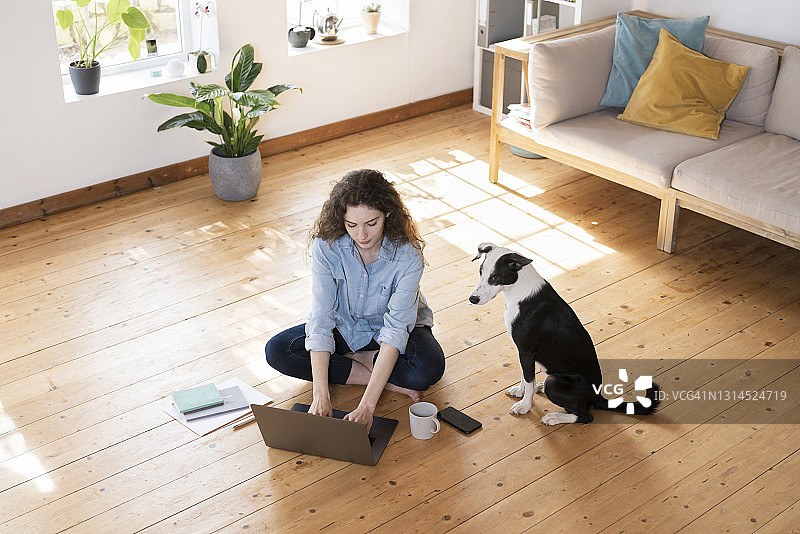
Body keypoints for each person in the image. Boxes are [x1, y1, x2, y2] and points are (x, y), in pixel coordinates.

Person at [265, 169, 445, 432]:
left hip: (397, 327)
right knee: (278, 350)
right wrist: (320, 394)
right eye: (352, 225)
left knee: (427, 370)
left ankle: (358, 361)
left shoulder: (408, 256)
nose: (362, 235)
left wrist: (367, 406)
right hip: (347, 324)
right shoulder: (327, 246)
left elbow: (395, 331)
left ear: (388, 215)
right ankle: (384, 377)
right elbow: (321, 318)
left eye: (371, 223)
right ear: (342, 220)